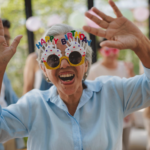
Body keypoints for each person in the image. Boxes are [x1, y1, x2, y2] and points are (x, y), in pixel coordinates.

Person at [0, 1, 150, 149]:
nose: (64, 64)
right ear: (44, 69)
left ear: (86, 63)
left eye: (74, 56)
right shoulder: (33, 106)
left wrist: (141, 44)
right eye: (53, 59)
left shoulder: (113, 92)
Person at [87, 38, 134, 150]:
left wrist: (131, 72)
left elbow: (133, 89)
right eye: (107, 50)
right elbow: (90, 96)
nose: (112, 54)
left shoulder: (125, 67)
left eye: (115, 50)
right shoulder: (94, 70)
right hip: (105, 118)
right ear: (100, 51)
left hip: (126, 115)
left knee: (125, 144)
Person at [0, 19, 25, 150]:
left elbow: (16, 102)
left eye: (7, 37)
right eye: (1, 37)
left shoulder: (4, 74)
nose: (5, 41)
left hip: (7, 132)